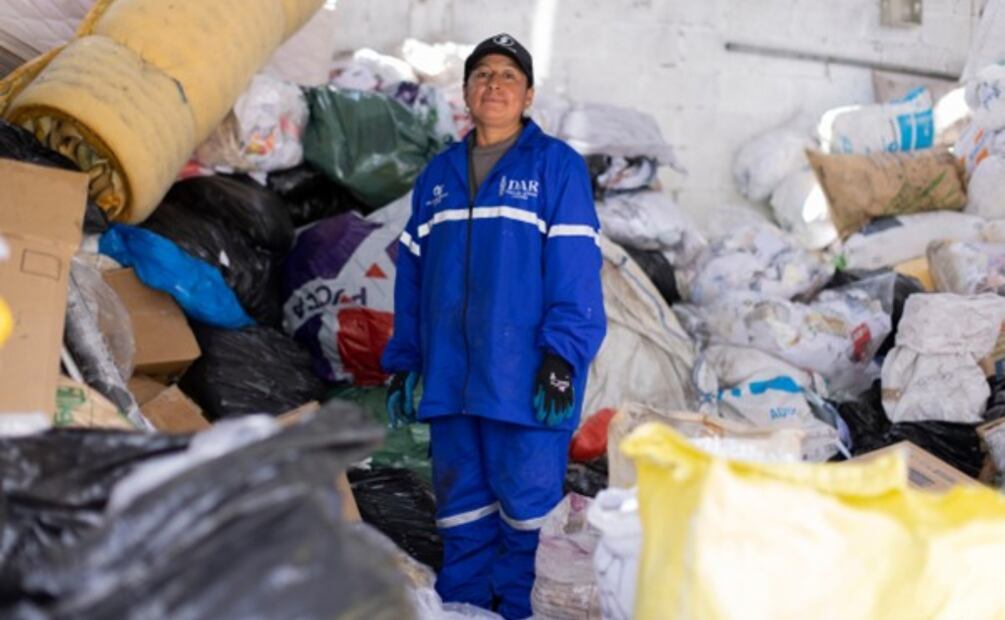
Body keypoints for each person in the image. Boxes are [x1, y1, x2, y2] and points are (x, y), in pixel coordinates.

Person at [381, 33, 606, 619]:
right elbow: (413, 279)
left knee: (527, 520)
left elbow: (576, 272)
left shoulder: (556, 167)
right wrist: (406, 360)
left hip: (525, 380)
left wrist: (562, 358)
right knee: (461, 517)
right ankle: (464, 611)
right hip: (453, 382)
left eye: (508, 75)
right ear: (466, 94)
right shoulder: (438, 176)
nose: (495, 84)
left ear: (528, 95)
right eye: (483, 74)